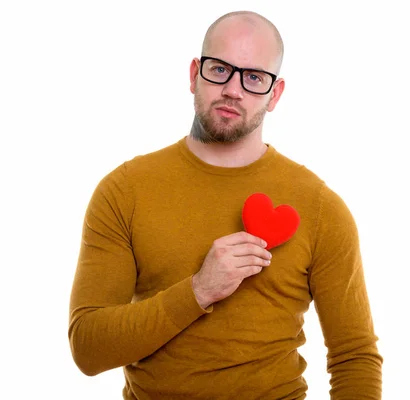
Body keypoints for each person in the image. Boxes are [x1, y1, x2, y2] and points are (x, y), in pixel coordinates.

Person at [68, 10, 383, 400]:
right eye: (220, 69)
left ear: (275, 94)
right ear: (193, 75)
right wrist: (199, 291)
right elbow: (88, 349)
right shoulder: (124, 190)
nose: (233, 89)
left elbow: (355, 356)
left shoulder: (320, 207)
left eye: (254, 77)